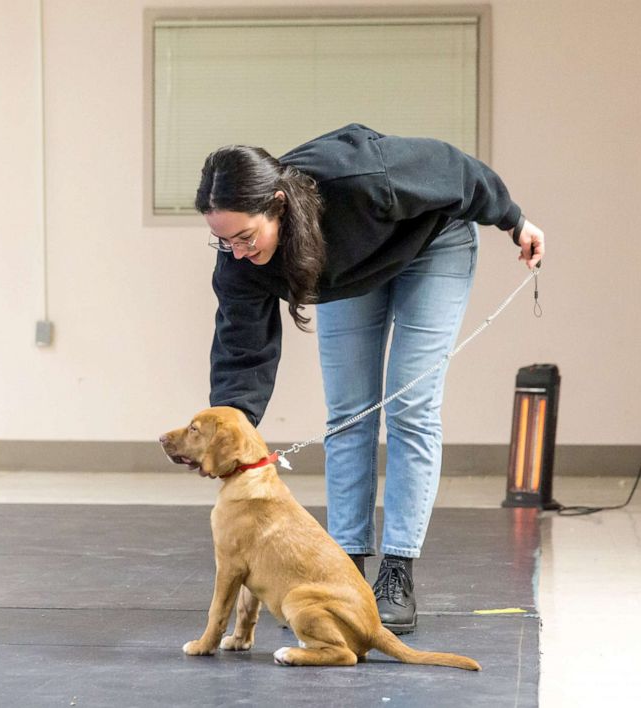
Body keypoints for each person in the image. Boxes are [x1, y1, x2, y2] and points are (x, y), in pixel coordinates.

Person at [196, 124, 544, 634]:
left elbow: (455, 169)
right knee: (349, 413)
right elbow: (242, 347)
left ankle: (397, 573)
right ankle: (346, 567)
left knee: (410, 406)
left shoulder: (359, 178)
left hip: (432, 243)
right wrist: (229, 432)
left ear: (278, 203)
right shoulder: (239, 260)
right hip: (346, 269)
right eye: (224, 242)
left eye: (246, 236)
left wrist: (514, 221)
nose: (239, 251)